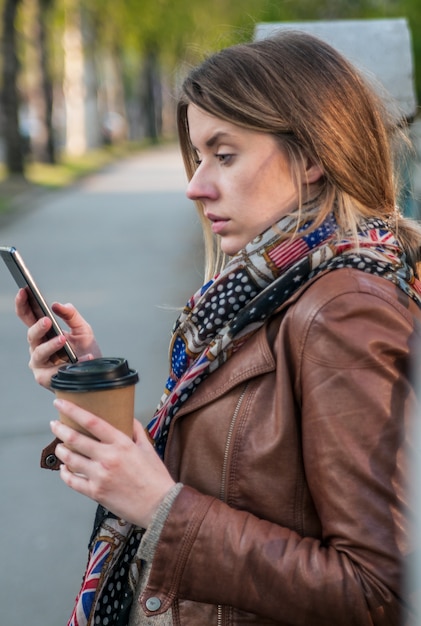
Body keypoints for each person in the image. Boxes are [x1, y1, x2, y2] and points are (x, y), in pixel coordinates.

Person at [16, 30, 421, 626]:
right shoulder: (262, 289)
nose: (195, 185)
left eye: (224, 156)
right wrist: (89, 379)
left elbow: (381, 590)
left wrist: (161, 510)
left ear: (312, 156)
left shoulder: (344, 310)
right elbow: (234, 465)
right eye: (199, 156)